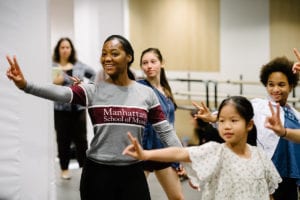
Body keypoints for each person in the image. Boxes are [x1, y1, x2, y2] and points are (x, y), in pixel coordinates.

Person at [5, 34, 182, 200]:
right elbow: (60, 93)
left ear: (129, 57)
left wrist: (185, 158)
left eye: (114, 53)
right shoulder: (93, 90)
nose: (107, 58)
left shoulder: (146, 94)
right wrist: (25, 85)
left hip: (133, 172)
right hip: (98, 173)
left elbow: (165, 131)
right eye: (104, 54)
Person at [123, 96, 282, 200]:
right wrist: (145, 154)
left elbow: (269, 194)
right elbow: (180, 152)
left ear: (249, 125)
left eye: (233, 120)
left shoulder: (260, 156)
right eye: (221, 120)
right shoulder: (215, 151)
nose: (226, 126)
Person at [194, 56, 300, 199]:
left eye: (281, 84)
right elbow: (237, 113)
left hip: (292, 172)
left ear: (291, 86)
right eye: (271, 84)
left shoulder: (295, 114)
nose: (275, 89)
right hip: (271, 169)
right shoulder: (259, 105)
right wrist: (213, 117)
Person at [138, 48, 184, 200]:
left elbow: (170, 125)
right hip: (143, 151)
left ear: (162, 63)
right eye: (145, 63)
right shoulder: (138, 87)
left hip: (163, 151)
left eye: (153, 61)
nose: (149, 66)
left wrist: (179, 155)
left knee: (177, 197)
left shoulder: (165, 89)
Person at [52, 37, 96, 180]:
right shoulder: (54, 66)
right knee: (62, 140)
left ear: (71, 50)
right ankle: (64, 169)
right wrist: (54, 82)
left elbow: (94, 74)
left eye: (67, 47)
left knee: (81, 140)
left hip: (78, 109)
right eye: (62, 47)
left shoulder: (80, 66)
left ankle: (84, 168)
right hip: (60, 109)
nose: (65, 50)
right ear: (58, 50)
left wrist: (87, 87)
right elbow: (49, 84)